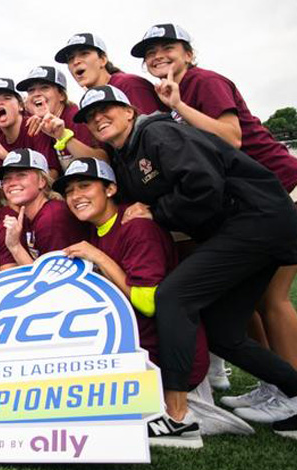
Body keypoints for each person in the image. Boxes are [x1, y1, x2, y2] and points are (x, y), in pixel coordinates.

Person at [75, 84, 297, 442]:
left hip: (257, 219)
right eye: (90, 116)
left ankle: (177, 416)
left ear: (129, 111)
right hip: (248, 226)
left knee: (173, 297)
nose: (98, 117)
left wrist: (156, 211)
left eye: (106, 109)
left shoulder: (157, 132)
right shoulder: (126, 155)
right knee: (223, 331)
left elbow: (204, 185)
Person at [133, 23, 297, 382]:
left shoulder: (203, 81)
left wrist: (177, 106)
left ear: (189, 54)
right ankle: (275, 385)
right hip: (252, 199)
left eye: (166, 47)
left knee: (272, 300)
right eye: (149, 53)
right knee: (247, 302)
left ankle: (290, 392)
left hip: (283, 187)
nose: (157, 55)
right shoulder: (170, 93)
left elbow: (231, 137)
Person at [54, 157, 250, 443]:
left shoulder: (137, 228)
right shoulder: (97, 232)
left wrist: (99, 258)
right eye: (69, 191)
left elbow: (147, 303)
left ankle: (184, 417)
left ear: (110, 189)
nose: (76, 196)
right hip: (132, 351)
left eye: (85, 186)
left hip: (163, 361)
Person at [0, 149, 89, 265]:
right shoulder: (30, 215)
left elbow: (52, 279)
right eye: (6, 179)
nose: (12, 183)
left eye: (21, 175)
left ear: (42, 181)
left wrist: (15, 247)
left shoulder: (51, 218)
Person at [16, 66, 106, 168]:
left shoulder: (76, 118)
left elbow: (103, 162)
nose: (36, 94)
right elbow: (51, 170)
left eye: (44, 88)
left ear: (61, 95)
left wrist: (63, 136)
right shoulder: (37, 122)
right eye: (31, 90)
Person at [54, 33, 165, 115]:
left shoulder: (128, 84)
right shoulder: (88, 100)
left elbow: (154, 132)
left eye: (84, 54)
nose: (75, 61)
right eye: (70, 58)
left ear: (103, 59)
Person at [0, 78, 61, 178]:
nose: (0, 103)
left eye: (7, 98)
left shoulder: (34, 127)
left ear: (21, 106)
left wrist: (7, 157)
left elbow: (52, 175)